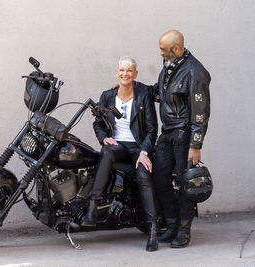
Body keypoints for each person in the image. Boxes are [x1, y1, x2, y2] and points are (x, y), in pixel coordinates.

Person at [81, 56, 159, 252]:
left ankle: (153, 230)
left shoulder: (143, 96)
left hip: (138, 147)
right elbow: (98, 122)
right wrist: (104, 138)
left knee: (143, 176)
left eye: (129, 70)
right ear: (117, 73)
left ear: (135, 74)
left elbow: (151, 129)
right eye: (122, 70)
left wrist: (144, 152)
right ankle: (92, 208)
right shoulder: (107, 96)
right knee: (106, 152)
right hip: (118, 146)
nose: (125, 74)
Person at [150, 30, 211, 248]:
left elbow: (200, 114)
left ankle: (184, 232)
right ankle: (173, 225)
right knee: (159, 178)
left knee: (186, 183)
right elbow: (157, 92)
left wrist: (196, 145)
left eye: (163, 49)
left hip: (184, 135)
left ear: (176, 49)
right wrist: (126, 89)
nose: (160, 53)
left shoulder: (195, 72)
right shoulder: (169, 66)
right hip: (167, 132)